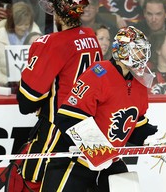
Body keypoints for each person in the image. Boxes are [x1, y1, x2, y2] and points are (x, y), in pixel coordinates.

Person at [38, 26, 158, 191]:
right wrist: (96, 150)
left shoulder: (139, 83)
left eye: (143, 51)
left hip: (110, 162)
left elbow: (135, 125)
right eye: (137, 50)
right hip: (75, 161)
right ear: (122, 51)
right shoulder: (98, 73)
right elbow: (68, 117)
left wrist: (155, 141)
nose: (142, 55)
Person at [16, 0, 103, 191]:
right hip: (88, 130)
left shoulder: (51, 44)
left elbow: (27, 101)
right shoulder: (91, 37)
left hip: (57, 131)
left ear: (57, 10)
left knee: (30, 180)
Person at [0, 1, 41, 87]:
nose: (24, 28)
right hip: (7, 91)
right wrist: (9, 83)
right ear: (12, 24)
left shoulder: (37, 38)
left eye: (26, 24)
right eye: (20, 24)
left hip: (32, 88)